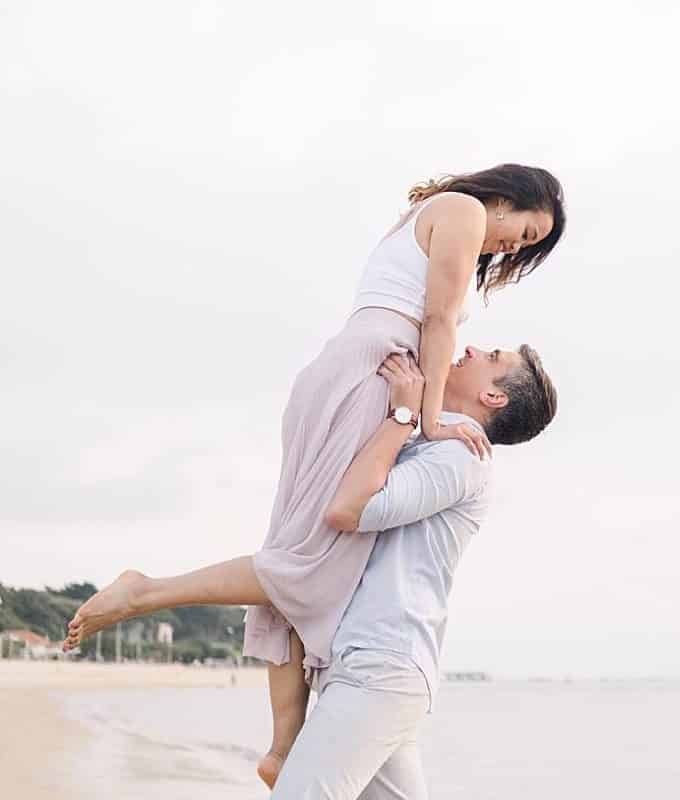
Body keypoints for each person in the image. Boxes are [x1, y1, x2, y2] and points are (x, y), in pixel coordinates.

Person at [62, 163, 566, 787]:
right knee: (307, 560)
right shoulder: (463, 211)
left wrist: (416, 415)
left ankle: (284, 744)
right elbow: (437, 324)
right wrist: (426, 418)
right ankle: (146, 595)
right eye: (524, 230)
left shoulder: (434, 218)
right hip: (370, 377)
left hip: (359, 374)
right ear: (507, 196)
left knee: (309, 560)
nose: (515, 246)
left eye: (526, 247)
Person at [271, 345, 556, 798]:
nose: (471, 349)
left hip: (380, 664)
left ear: (493, 396)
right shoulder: (439, 441)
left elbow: (347, 509)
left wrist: (404, 412)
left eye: (492, 355)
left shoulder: (461, 455)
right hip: (381, 663)